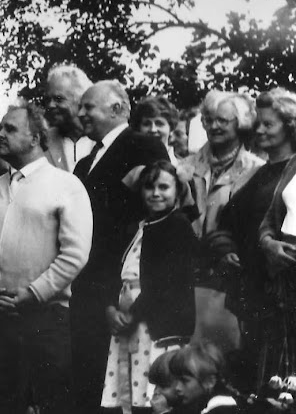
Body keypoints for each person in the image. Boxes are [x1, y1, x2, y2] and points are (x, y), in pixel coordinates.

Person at [0, 102, 93, 413]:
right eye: (0, 128)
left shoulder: (67, 186)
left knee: (50, 406)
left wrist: (32, 294)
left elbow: (75, 254)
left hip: (45, 321)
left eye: (11, 129)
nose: (0, 134)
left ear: (36, 138)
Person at [71, 80, 170, 414]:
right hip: (86, 288)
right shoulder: (84, 164)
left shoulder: (144, 146)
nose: (80, 113)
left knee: (122, 394)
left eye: (88, 106)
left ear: (116, 108)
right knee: (89, 385)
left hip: (123, 290)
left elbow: (155, 224)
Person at [208, 88, 296, 390]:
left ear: (290, 126)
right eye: (258, 123)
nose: (259, 130)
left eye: (268, 124)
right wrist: (225, 249)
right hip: (252, 290)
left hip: (282, 291)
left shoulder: (293, 172)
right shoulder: (254, 174)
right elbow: (226, 224)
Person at [100, 161, 197, 414]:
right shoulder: (138, 228)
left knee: (153, 392)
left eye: (163, 187)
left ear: (177, 191)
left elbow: (165, 281)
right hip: (128, 319)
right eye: (149, 187)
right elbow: (115, 273)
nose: (155, 193)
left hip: (154, 324)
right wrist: (111, 309)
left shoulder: (177, 226)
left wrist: (132, 315)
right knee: (128, 391)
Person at [178, 91, 264, 354]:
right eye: (208, 119)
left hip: (228, 278)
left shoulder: (256, 170)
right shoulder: (184, 167)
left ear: (241, 123)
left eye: (222, 121)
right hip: (185, 273)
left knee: (224, 355)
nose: (214, 126)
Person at [43, 64, 95, 172]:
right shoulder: (42, 141)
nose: (50, 105)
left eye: (58, 99)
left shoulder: (104, 138)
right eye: (48, 100)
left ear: (81, 99)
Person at [169, 342, 239, 414]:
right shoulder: (198, 406)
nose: (177, 387)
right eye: (176, 380)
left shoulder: (222, 409)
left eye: (184, 381)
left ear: (210, 381)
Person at [130, 96, 181, 164]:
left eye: (159, 123)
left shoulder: (182, 167)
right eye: (147, 124)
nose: (153, 130)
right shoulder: (129, 164)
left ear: (171, 129)